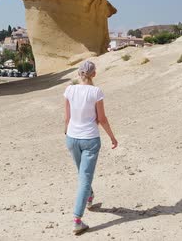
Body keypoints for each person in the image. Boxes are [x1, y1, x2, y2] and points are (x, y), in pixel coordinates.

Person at [63, 60, 118, 235]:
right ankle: (77, 220)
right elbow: (101, 119)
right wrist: (112, 137)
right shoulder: (96, 92)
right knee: (85, 178)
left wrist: (68, 134)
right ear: (93, 74)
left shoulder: (69, 90)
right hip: (90, 140)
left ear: (79, 73)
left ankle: (89, 197)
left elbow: (67, 118)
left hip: (72, 139)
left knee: (83, 174)